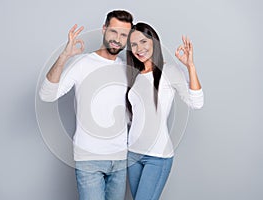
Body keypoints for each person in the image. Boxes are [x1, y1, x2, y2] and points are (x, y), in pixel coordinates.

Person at [39, 10, 133, 200]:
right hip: (89, 159)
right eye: (114, 31)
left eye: (124, 35)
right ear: (104, 29)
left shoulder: (127, 68)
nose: (117, 39)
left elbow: (132, 112)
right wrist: (65, 56)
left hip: (120, 159)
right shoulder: (82, 63)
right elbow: (47, 95)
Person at [126, 22, 204, 200]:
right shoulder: (134, 76)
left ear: (154, 41)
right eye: (134, 45)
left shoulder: (170, 72)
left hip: (157, 157)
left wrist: (190, 67)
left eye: (144, 41)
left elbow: (196, 102)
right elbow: (134, 117)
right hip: (133, 155)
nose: (139, 48)